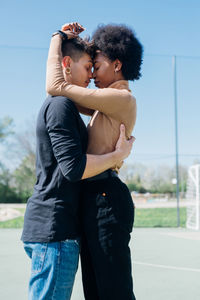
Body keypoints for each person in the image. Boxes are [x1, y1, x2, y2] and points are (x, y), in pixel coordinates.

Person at [21, 28, 134, 300]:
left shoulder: (120, 98)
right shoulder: (81, 105)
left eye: (95, 66)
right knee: (97, 291)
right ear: (68, 65)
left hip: (105, 195)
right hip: (87, 201)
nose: (92, 74)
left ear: (117, 65)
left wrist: (56, 39)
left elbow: (58, 87)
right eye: (89, 67)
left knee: (112, 291)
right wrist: (57, 39)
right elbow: (57, 88)